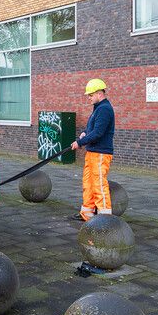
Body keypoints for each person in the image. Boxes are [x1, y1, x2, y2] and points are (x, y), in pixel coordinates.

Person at [70, 79, 115, 221]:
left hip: (101, 153)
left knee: (99, 184)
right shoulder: (98, 108)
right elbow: (93, 129)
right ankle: (87, 215)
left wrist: (79, 142)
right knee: (88, 183)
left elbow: (98, 133)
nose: (88, 97)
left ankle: (104, 219)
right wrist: (85, 133)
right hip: (92, 152)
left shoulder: (104, 109)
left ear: (99, 93)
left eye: (90, 95)